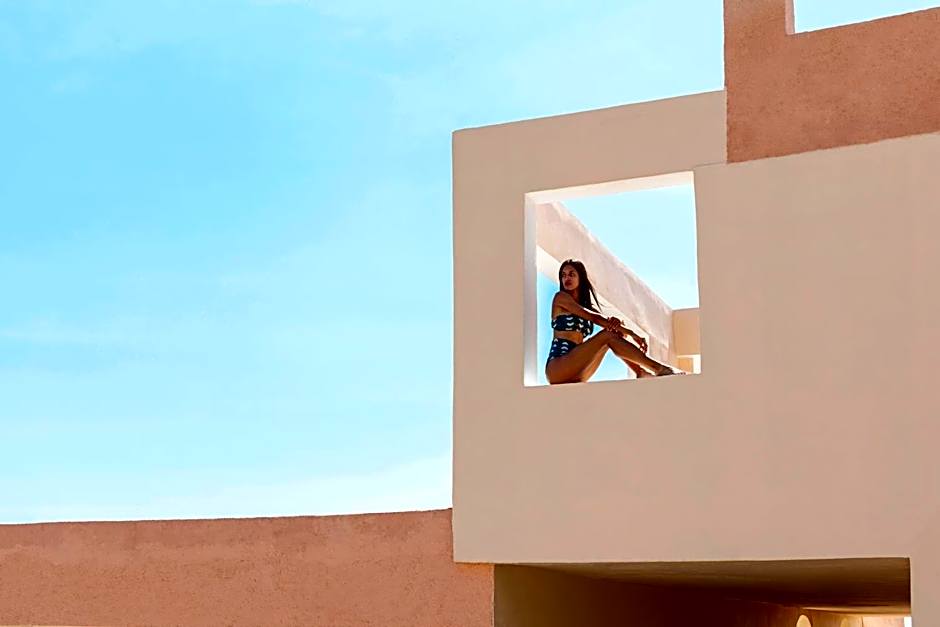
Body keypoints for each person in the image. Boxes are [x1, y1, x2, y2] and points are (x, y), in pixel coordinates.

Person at [545, 259, 683, 384]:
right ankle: (658, 368)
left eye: (571, 274)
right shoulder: (560, 298)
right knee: (607, 335)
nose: (567, 278)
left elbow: (606, 322)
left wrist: (619, 327)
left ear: (580, 278)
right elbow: (595, 318)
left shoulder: (585, 306)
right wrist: (632, 333)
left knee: (613, 333)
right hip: (558, 367)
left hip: (578, 370)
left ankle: (640, 372)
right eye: (563, 275)